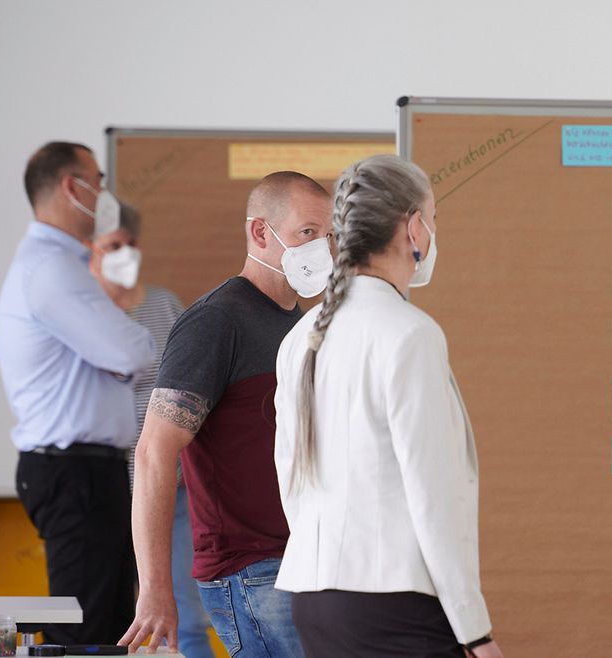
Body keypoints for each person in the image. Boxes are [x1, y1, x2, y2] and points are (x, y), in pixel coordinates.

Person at [273, 155, 503, 658]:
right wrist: (476, 632)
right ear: (413, 227)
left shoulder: (299, 338)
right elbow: (433, 496)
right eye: (433, 218)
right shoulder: (409, 333)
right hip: (393, 602)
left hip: (314, 598)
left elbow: (290, 477)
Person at [120, 171, 333, 657]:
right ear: (261, 232)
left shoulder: (300, 328)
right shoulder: (215, 322)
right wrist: (155, 589)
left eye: (327, 236)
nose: (321, 249)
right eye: (307, 233)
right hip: (249, 570)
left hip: (302, 560)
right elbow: (154, 452)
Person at [0, 141, 155, 644]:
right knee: (83, 631)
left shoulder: (59, 265)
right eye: (99, 182)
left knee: (104, 625)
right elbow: (135, 352)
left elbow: (120, 356)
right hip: (74, 471)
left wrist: (115, 352)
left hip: (83, 469)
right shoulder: (54, 269)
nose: (104, 195)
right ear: (72, 187)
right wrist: (120, 350)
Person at [88, 204, 215, 658]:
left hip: (172, 486)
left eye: (130, 244)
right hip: (108, 484)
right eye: (112, 246)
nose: (124, 254)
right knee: (116, 613)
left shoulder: (163, 304)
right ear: (91, 253)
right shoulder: (85, 312)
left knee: (183, 613)